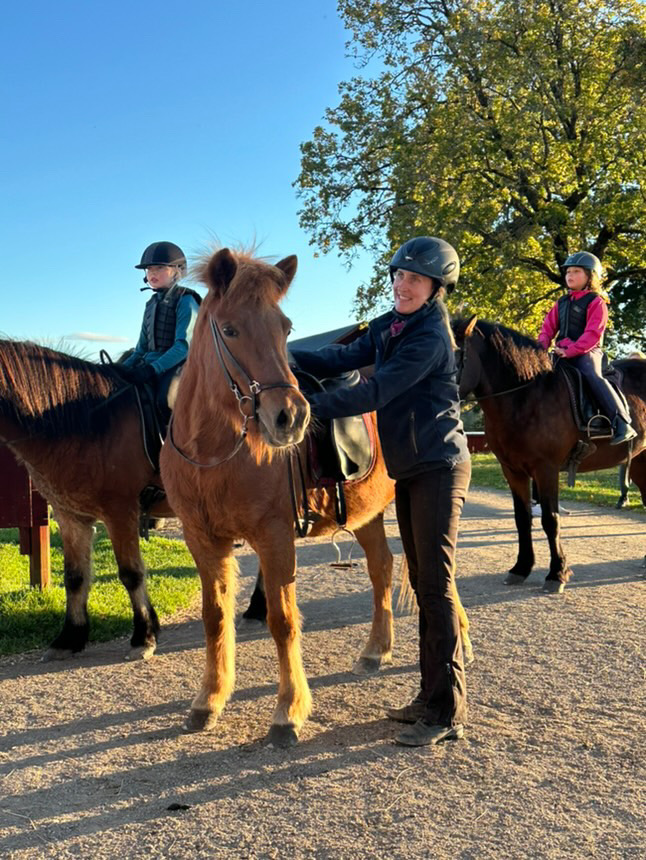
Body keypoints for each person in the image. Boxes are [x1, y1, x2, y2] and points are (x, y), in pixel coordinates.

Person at [290, 236, 471, 746]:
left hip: (438, 466)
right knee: (421, 579)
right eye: (398, 275)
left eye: (414, 278)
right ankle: (427, 695)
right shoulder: (393, 324)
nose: (402, 284)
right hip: (410, 469)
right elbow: (341, 354)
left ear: (436, 287)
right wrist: (278, 353)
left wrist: (307, 408)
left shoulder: (429, 336)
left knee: (434, 588)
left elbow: (375, 389)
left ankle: (446, 712)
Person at [537, 251, 637, 445]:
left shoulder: (596, 302)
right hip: (561, 351)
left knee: (592, 375)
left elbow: (593, 333)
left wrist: (571, 351)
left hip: (588, 352)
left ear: (590, 276)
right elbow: (547, 329)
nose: (570, 275)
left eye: (576, 271)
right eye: (568, 272)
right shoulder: (561, 303)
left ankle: (621, 422)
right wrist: (540, 349)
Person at [121, 241, 201, 420]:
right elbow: (141, 348)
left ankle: (170, 444)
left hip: (179, 366)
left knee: (164, 400)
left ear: (177, 271)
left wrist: (152, 369)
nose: (152, 273)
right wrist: (118, 370)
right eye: (149, 269)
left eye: (159, 268)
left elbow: (183, 347)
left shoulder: (186, 301)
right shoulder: (150, 304)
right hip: (150, 364)